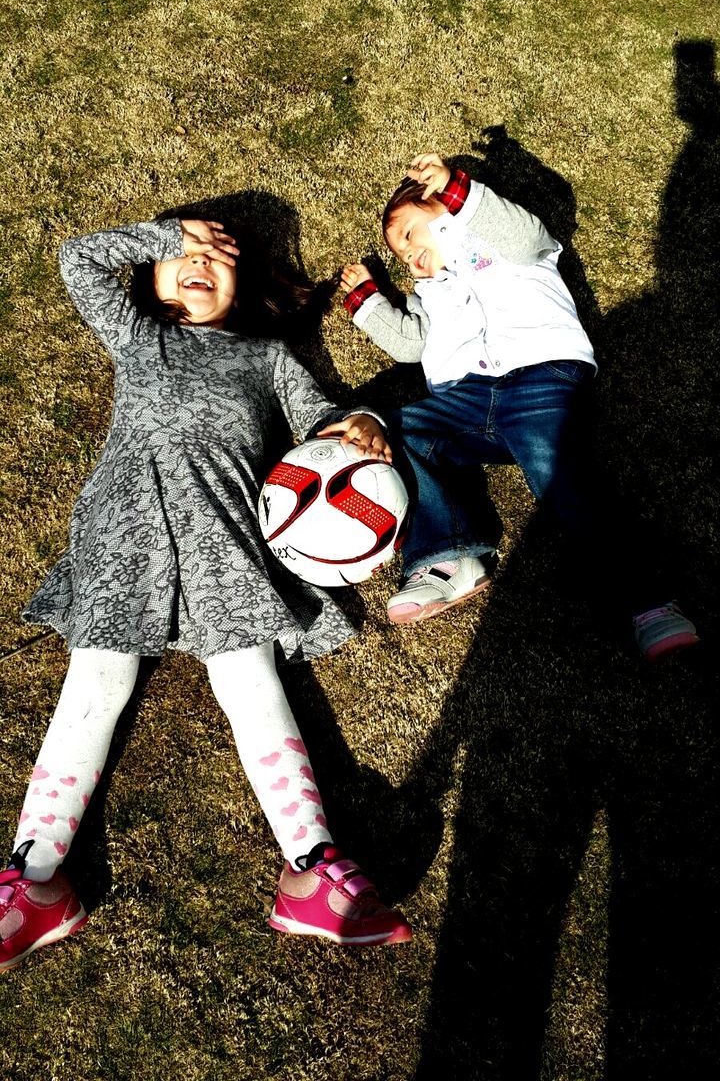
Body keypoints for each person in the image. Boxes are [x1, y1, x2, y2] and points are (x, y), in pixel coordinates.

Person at [0, 211, 412, 972]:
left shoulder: (266, 358)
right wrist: (166, 233)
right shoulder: (137, 335)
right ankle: (33, 884)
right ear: (151, 276)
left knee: (250, 683)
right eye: (182, 255)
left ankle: (312, 870)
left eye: (219, 257)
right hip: (122, 541)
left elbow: (323, 426)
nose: (198, 262)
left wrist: (360, 420)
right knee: (94, 684)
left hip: (227, 544)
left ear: (245, 285)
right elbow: (78, 259)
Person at [340, 151, 699, 660]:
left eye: (411, 235)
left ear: (446, 211)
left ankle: (648, 603)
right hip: (465, 398)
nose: (408, 256)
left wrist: (458, 191)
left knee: (562, 480)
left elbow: (518, 231)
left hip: (540, 378)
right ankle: (451, 558)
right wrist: (370, 303)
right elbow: (412, 346)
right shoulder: (429, 291)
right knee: (400, 435)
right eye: (399, 254)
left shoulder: (509, 246)